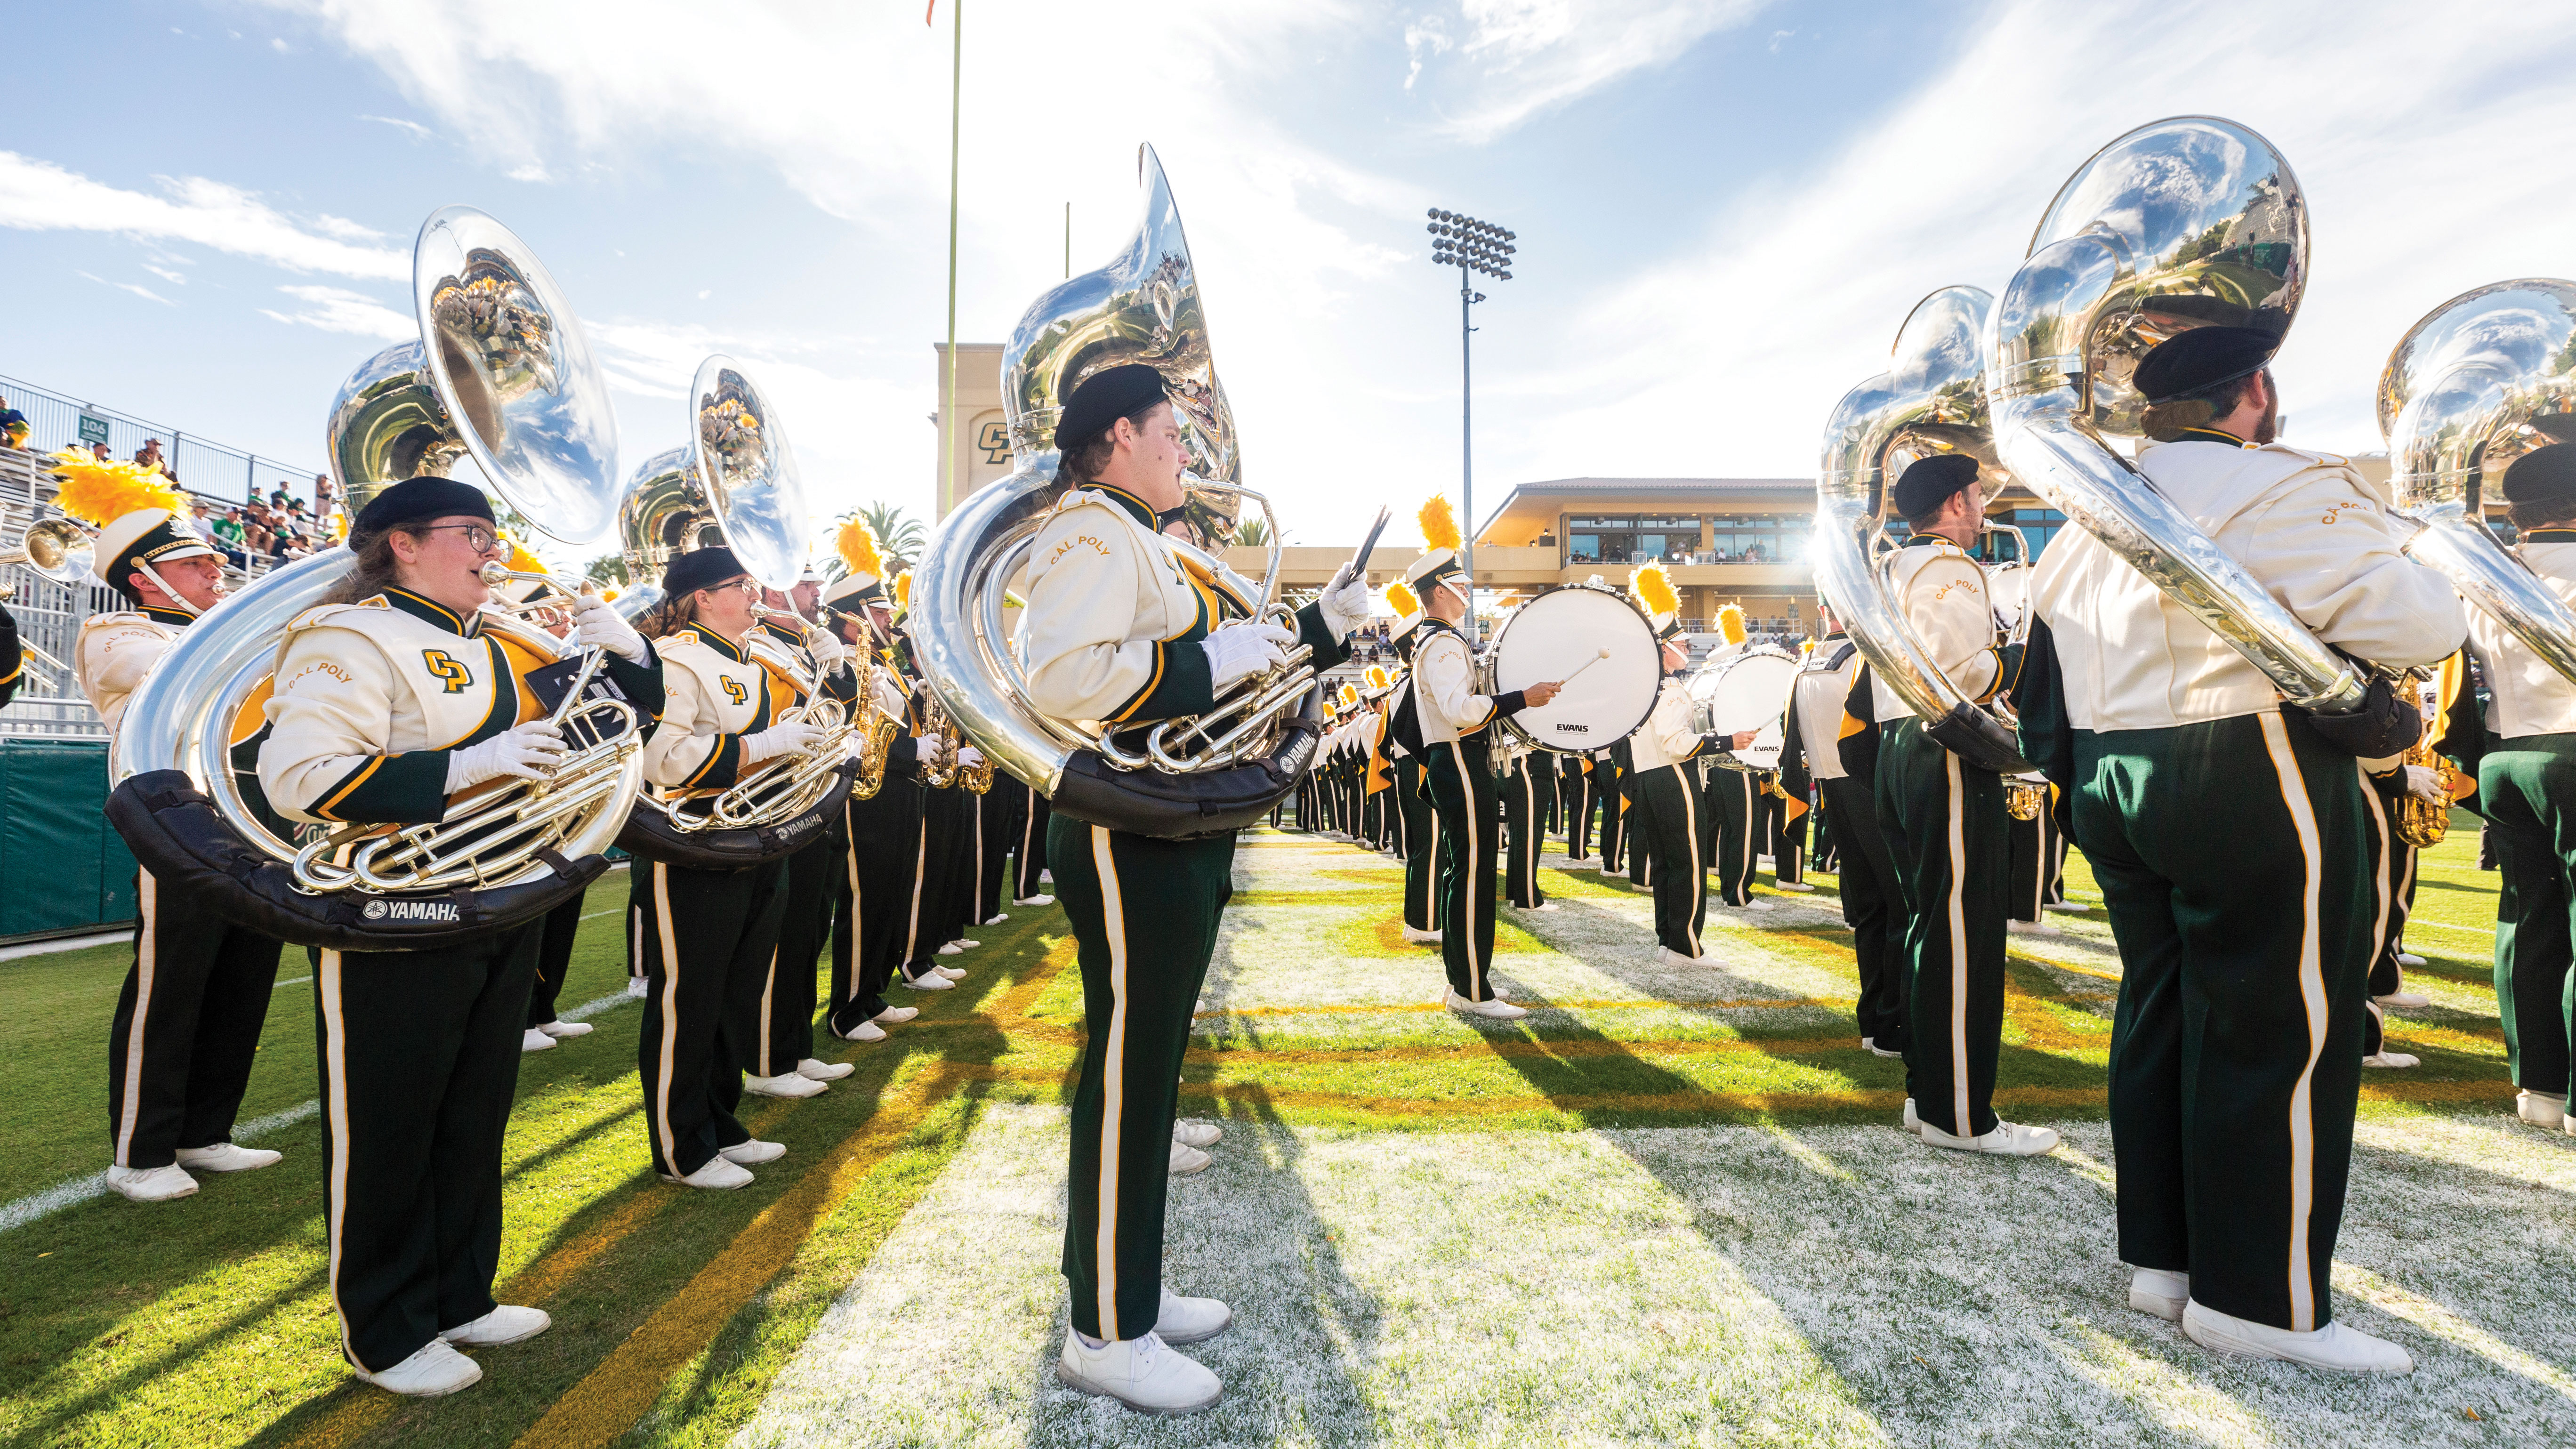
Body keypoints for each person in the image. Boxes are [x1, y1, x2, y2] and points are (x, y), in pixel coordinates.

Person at [2026, 325, 2464, 1372]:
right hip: (2246, 761)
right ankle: (2263, 1303)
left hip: (2110, 773)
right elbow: (2425, 625)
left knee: (2161, 1008)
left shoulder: (2076, 522)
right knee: (2286, 1028)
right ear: (2254, 392)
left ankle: (2165, 1264)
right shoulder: (2277, 488)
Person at [259, 475, 663, 1396]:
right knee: (393, 1121)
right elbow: (298, 776)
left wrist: (630, 654)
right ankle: (387, 1332)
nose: (495, 549)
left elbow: (623, 724)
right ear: (402, 544)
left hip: (502, 896)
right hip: (399, 910)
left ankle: (460, 1295)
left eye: (495, 532)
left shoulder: (508, 641)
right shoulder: (350, 636)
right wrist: (462, 769)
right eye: (473, 533)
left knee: (475, 1110)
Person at [1019, 364, 1367, 1413]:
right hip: (1131, 832)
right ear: (1119, 434)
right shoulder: (1091, 527)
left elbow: (1213, 665)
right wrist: (1219, 658)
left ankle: (1125, 1287)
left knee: (1151, 1074)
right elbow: (1070, 678)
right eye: (1172, 431)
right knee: (1130, 1078)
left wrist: (1316, 633)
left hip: (1167, 827)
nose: (1187, 449)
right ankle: (1104, 1333)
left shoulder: (1140, 534)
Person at [54, 457, 283, 1206]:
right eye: (197, 560)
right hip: (179, 829)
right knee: (171, 983)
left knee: (243, 977)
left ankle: (206, 1131)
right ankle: (139, 1150)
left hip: (260, 823)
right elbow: (179, 681)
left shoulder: (233, 628)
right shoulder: (117, 630)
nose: (219, 568)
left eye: (216, 558)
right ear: (147, 576)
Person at [1868, 453, 2054, 1159]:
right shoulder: (1945, 566)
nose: (1984, 510)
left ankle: (1929, 1093)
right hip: (1942, 746)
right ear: (1954, 503)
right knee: (1962, 931)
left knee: (1928, 923)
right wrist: (2020, 655)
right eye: (1978, 497)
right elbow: (1960, 667)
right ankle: (1960, 1112)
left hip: (1901, 745)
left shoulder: (1890, 567)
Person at [630, 546, 832, 1186]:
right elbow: (663, 758)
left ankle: (720, 1122)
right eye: (739, 586)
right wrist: (762, 745)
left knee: (736, 991)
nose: (754, 595)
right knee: (690, 998)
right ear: (701, 598)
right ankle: (679, 1146)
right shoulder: (679, 659)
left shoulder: (759, 656)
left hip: (762, 834)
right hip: (699, 842)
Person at [1402, 494, 1560, 1020]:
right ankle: (1472, 989)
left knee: (1463, 870)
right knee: (1471, 873)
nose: (1468, 591)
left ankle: (1465, 983)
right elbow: (1461, 710)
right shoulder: (1443, 645)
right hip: (1459, 761)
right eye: (1461, 584)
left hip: (1458, 762)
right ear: (1441, 590)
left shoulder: (1440, 641)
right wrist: (1522, 698)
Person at [2463, 445, 2576, 1132]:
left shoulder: (2485, 577)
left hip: (2507, 753)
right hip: (2573, 744)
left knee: (2528, 916)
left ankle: (2539, 1087)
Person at [817, 522, 933, 1044]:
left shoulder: (884, 662)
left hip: (900, 789)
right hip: (869, 798)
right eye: (879, 610)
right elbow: (852, 727)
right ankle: (846, 1011)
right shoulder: (844, 664)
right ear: (852, 616)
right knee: (865, 902)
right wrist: (912, 750)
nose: (889, 618)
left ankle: (872, 993)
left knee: (892, 893)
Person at [1783, 603, 1904, 1058]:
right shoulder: (1861, 656)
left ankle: (1873, 1021)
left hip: (1833, 791)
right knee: (1900, 906)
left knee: (1868, 909)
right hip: (1869, 787)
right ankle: (1892, 1025)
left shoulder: (1805, 663)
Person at [1625, 564, 1737, 967]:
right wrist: (1726, 742)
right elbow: (1677, 743)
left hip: (1651, 779)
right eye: (1682, 644)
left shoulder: (1644, 686)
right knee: (1687, 862)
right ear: (1664, 646)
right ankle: (1686, 946)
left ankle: (1668, 941)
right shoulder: (1670, 688)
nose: (1688, 649)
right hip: (1675, 777)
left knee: (1667, 862)